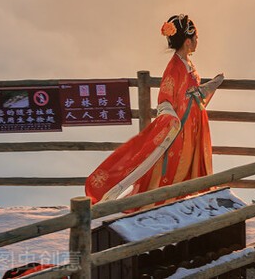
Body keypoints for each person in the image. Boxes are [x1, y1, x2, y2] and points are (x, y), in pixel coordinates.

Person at [86, 14, 224, 203]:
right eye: (196, 38)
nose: (197, 41)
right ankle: (169, 199)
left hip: (192, 124)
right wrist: (171, 118)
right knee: (177, 165)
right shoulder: (174, 67)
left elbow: (191, 93)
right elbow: (165, 100)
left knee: (189, 163)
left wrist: (210, 86)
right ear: (187, 41)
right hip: (180, 126)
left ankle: (188, 198)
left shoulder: (187, 64)